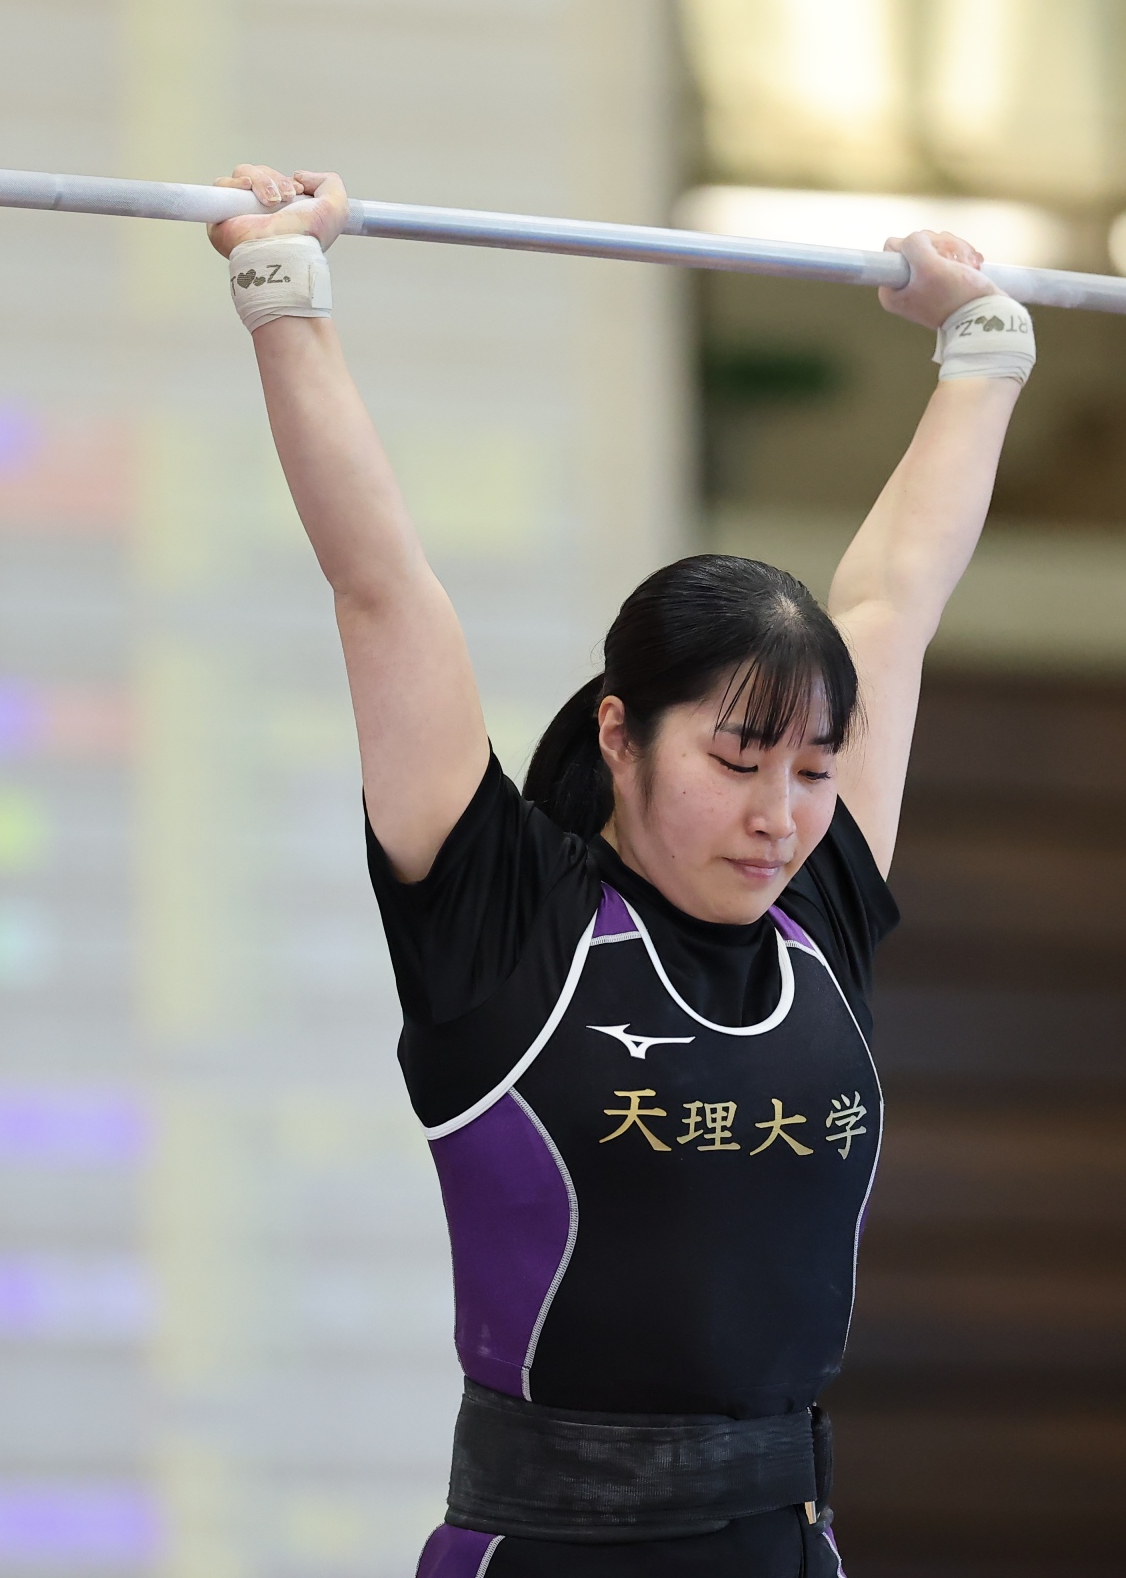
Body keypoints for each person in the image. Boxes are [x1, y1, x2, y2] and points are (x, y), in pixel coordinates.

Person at [209, 164, 1033, 1578]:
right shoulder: (504, 919)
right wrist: (284, 291)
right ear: (620, 734)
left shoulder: (817, 914)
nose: (782, 816)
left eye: (816, 771)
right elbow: (382, 586)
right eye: (738, 760)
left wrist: (985, 347)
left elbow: (894, 601)